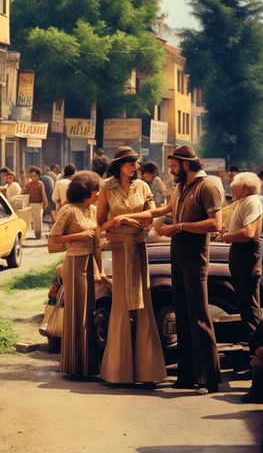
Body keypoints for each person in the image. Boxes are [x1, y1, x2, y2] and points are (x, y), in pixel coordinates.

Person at [115, 145, 223, 394]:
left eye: (174, 166)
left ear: (186, 164)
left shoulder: (207, 186)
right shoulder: (181, 187)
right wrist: (131, 217)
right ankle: (186, 375)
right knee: (182, 315)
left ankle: (209, 378)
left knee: (199, 317)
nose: (171, 170)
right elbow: (164, 210)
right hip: (179, 254)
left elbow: (216, 224)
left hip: (195, 255)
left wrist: (179, 227)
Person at [97, 147, 166, 387]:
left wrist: (131, 220)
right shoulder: (107, 187)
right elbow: (100, 223)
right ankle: (118, 371)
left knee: (143, 304)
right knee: (120, 305)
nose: (135, 167)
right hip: (118, 249)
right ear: (120, 165)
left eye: (136, 163)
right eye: (131, 163)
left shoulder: (143, 187)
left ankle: (148, 372)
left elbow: (151, 216)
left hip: (138, 246)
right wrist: (117, 220)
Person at [47, 171, 103, 378]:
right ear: (87, 191)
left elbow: (97, 243)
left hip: (90, 263)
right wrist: (79, 235)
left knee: (89, 312)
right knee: (76, 312)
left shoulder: (93, 210)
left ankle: (89, 364)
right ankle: (75, 366)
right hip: (74, 263)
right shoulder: (68, 210)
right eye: (96, 190)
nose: (99, 194)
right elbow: (55, 237)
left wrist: (101, 270)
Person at [217, 171, 263, 351]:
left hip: (246, 254)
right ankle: (255, 352)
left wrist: (225, 237)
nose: (232, 190)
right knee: (246, 306)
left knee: (250, 308)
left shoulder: (252, 201)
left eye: (235, 187)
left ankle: (259, 353)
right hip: (241, 253)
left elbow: (249, 233)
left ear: (245, 189)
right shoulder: (244, 202)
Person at [23, 167, 48, 239]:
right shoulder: (28, 184)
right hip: (31, 204)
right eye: (32, 176)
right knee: (34, 219)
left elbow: (43, 193)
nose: (33, 177)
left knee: (39, 218)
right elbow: (26, 193)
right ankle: (36, 232)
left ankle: (39, 233)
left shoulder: (40, 184)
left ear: (39, 176)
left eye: (35, 176)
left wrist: (45, 202)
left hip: (38, 204)